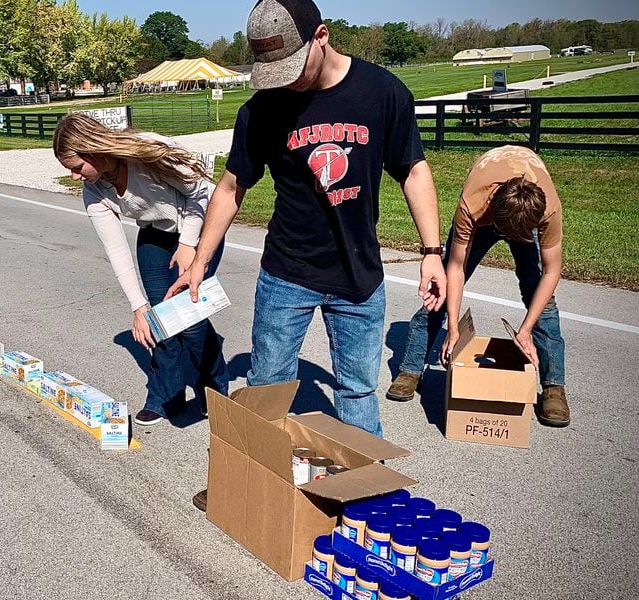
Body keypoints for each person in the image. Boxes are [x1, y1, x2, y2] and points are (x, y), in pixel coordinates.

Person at [166, 0, 446, 441]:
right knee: (267, 387)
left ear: (322, 36)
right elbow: (230, 187)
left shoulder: (382, 92)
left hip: (359, 276)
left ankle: (360, 497)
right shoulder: (261, 110)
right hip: (287, 273)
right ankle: (250, 492)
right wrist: (200, 259)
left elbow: (413, 169)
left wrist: (431, 251)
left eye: (294, 68)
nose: (288, 83)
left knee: (357, 392)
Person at [52, 113, 229, 426]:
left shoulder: (148, 151)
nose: (75, 176)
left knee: (188, 319)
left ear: (93, 151)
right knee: (160, 319)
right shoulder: (94, 190)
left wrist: (188, 244)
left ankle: (213, 387)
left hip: (200, 229)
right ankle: (166, 395)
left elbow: (203, 191)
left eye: (77, 168)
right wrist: (138, 308)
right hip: (156, 234)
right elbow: (116, 249)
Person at [387, 145, 569, 426]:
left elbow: (551, 271)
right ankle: (411, 368)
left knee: (542, 299)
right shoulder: (473, 205)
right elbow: (456, 269)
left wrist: (525, 329)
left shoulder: (548, 210)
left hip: (522, 210)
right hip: (485, 211)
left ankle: (554, 387)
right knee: (441, 288)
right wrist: (454, 327)